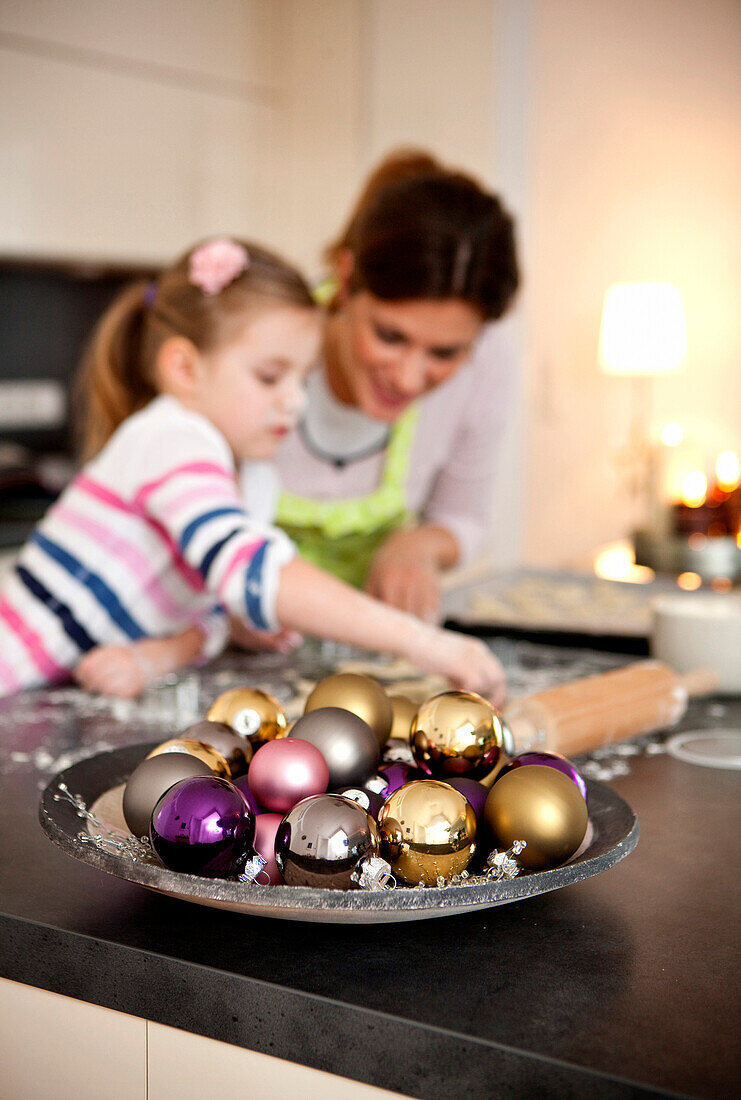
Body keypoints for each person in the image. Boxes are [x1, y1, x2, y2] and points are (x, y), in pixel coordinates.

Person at [0, 237, 506, 702]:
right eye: (270, 376)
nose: (294, 402)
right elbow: (252, 571)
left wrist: (153, 656)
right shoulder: (170, 440)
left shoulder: (255, 482)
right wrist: (422, 643)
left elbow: (212, 614)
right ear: (185, 370)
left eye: (301, 379)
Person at [272, 149, 520, 624]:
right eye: (389, 336)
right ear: (346, 281)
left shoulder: (488, 362)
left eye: (445, 353)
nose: (408, 378)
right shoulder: (268, 342)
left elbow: (463, 519)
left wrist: (416, 545)